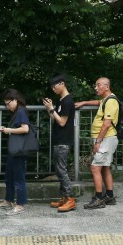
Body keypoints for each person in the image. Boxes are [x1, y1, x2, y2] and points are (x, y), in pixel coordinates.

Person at [81, 77, 120, 209]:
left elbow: (107, 124)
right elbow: (99, 102)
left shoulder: (111, 101)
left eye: (98, 85)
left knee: (95, 167)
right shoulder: (106, 100)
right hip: (106, 139)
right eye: (95, 85)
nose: (95, 88)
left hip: (105, 139)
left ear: (106, 87)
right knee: (105, 167)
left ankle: (98, 198)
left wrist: (98, 141)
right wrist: (85, 102)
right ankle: (109, 196)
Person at [43, 74, 76, 213]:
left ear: (62, 84)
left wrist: (51, 109)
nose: (53, 89)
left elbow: (62, 122)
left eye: (54, 86)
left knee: (61, 170)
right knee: (59, 170)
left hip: (64, 140)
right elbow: (56, 119)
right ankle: (64, 198)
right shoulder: (61, 100)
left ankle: (70, 199)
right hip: (59, 139)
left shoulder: (68, 101)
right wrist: (49, 108)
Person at [0, 88, 30, 214]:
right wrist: (6, 129)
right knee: (9, 174)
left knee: (18, 176)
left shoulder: (21, 111)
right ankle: (9, 199)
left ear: (15, 100)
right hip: (15, 148)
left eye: (8, 103)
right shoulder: (17, 111)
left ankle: (20, 204)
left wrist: (7, 130)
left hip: (19, 149)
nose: (7, 106)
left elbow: (25, 129)